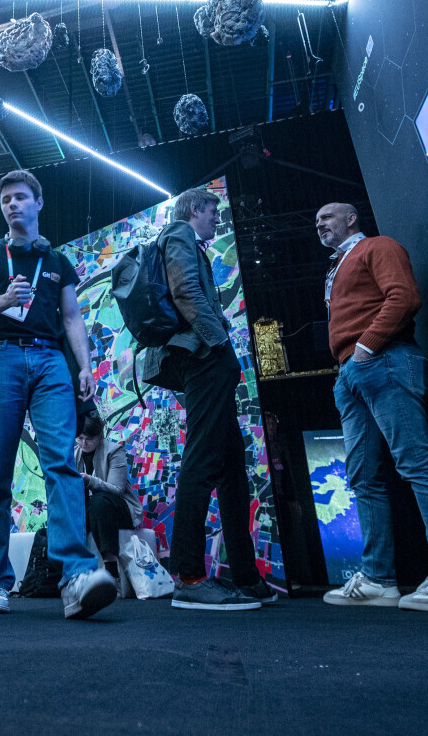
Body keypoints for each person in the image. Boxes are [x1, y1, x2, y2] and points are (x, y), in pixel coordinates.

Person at [0, 170, 116, 620]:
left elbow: (72, 317)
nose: (12, 204)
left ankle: (76, 578)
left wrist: (84, 366)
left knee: (62, 464)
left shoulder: (58, 260)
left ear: (38, 203)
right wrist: (3, 301)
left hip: (50, 361)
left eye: (21, 197)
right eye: (6, 199)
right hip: (1, 357)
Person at [315, 202, 428, 612]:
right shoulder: (335, 267)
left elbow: (404, 296)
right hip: (352, 373)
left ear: (351, 219)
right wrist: (350, 365)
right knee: (363, 477)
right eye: (317, 221)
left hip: (384, 359)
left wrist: (367, 347)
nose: (319, 224)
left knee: (416, 463)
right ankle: (378, 580)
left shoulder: (378, 246)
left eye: (327, 217)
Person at [141, 188, 276, 611]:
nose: (217, 219)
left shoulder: (184, 239)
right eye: (213, 212)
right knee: (202, 459)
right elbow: (185, 291)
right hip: (202, 357)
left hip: (202, 357)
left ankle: (246, 577)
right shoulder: (179, 233)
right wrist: (220, 343)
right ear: (195, 209)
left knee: (232, 466)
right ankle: (190, 577)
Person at [74, 414, 143, 586]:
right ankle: (63, 577)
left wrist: (89, 481)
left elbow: (117, 490)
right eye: (80, 438)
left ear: (100, 436)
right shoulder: (74, 454)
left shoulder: (114, 451)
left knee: (99, 501)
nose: (84, 443)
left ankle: (111, 570)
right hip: (91, 511)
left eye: (89, 439)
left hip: (117, 510)